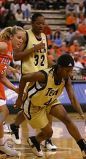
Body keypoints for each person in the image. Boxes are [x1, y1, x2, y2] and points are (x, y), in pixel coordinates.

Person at [15, 53, 86, 158]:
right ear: (59, 67)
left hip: (50, 101)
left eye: (71, 70)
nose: (69, 73)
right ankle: (35, 140)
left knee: (67, 119)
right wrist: (19, 98)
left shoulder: (66, 78)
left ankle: (84, 148)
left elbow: (72, 98)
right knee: (49, 133)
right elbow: (24, 78)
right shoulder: (43, 75)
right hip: (33, 106)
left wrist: (81, 112)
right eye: (67, 70)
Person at [10, 12, 57, 151]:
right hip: (28, 76)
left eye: (43, 23)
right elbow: (16, 56)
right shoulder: (25, 35)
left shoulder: (44, 36)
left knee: (46, 105)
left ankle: (47, 138)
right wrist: (33, 49)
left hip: (42, 77)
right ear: (32, 23)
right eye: (38, 23)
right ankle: (16, 126)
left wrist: (53, 68)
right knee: (30, 107)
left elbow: (44, 56)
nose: (41, 26)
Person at [0, 26, 25, 156]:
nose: (21, 41)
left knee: (3, 113)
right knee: (4, 112)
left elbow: (2, 77)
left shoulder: (9, 53)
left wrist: (15, 89)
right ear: (11, 36)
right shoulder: (4, 45)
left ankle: (1, 145)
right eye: (19, 37)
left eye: (23, 39)